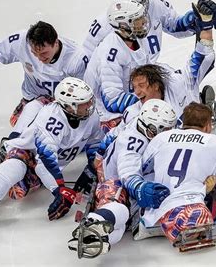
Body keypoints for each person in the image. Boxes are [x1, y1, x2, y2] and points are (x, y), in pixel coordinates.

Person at [0, 77, 103, 227]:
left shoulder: (91, 116)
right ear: (70, 106)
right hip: (27, 152)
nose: (90, 105)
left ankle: (0, 162)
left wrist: (92, 168)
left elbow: (95, 143)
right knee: (15, 166)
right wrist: (59, 190)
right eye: (84, 103)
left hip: (45, 168)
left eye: (89, 100)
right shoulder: (51, 118)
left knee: (18, 192)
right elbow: (45, 161)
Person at [84, 0, 216, 133]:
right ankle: (199, 104)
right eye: (138, 21)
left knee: (188, 94)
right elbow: (112, 101)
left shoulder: (179, 81)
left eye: (143, 17)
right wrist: (147, 106)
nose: (144, 22)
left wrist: (205, 24)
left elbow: (203, 56)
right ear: (123, 26)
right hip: (107, 110)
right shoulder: (110, 53)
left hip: (154, 90)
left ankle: (197, 103)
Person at [68, 99, 177, 257]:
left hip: (117, 177)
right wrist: (140, 189)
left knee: (119, 231)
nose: (170, 132)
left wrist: (98, 157)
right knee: (121, 208)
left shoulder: (136, 121)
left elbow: (111, 135)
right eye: (166, 129)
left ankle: (96, 236)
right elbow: (128, 173)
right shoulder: (133, 142)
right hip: (115, 183)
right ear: (153, 128)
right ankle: (94, 223)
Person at [137, 102, 216, 244]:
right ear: (207, 125)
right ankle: (192, 226)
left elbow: (143, 170)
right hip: (193, 211)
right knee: (214, 187)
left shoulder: (161, 138)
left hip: (154, 214)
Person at [0, 21, 88, 132]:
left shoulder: (76, 59)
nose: (39, 58)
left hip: (62, 107)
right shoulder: (21, 41)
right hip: (31, 99)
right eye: (34, 53)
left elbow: (85, 95)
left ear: (56, 43)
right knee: (24, 128)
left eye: (44, 53)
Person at [82, 0, 197, 59]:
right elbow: (87, 57)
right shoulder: (103, 24)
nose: (142, 9)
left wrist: (193, 19)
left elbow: (175, 26)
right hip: (121, 76)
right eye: (136, 4)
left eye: (143, 2)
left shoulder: (155, 3)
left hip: (148, 73)